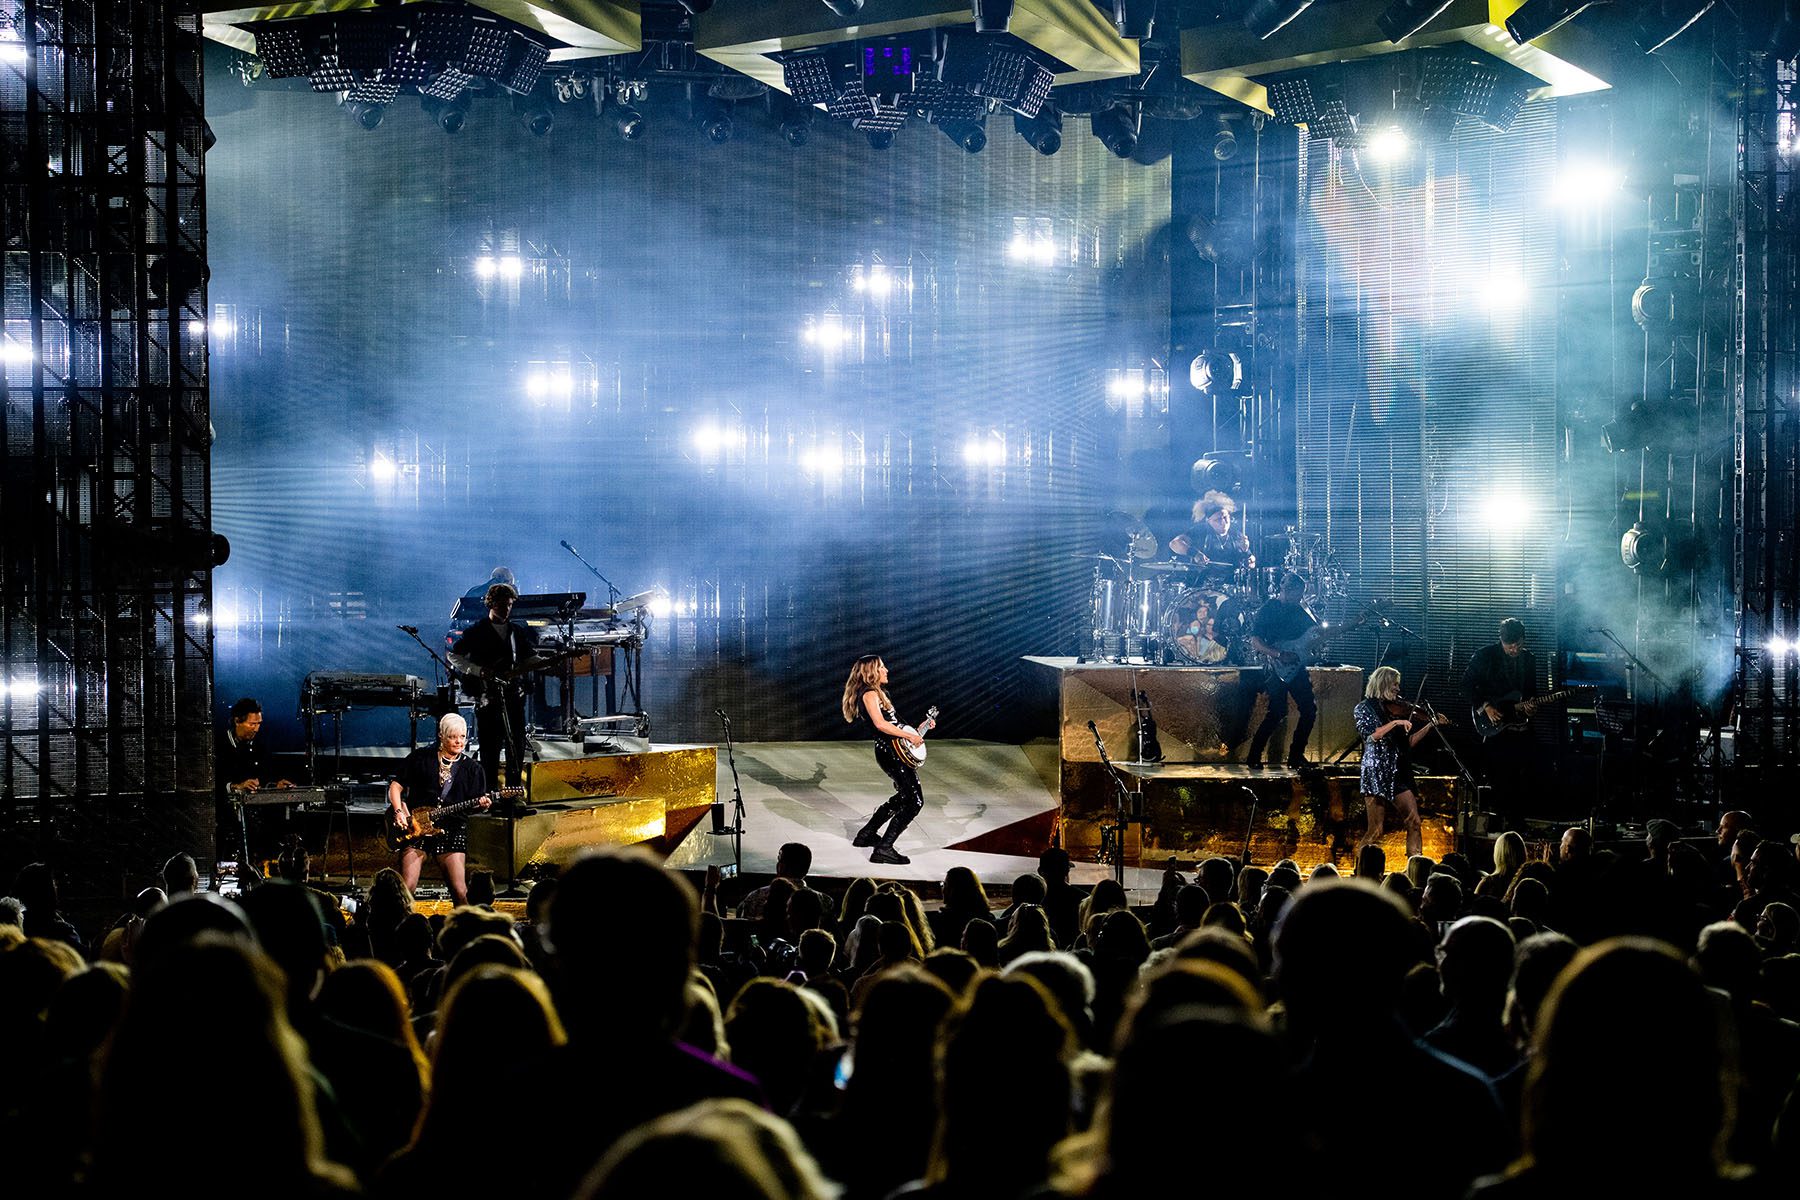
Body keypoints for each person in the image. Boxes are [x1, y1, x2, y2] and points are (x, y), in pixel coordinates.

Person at [386, 712, 492, 904]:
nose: (459, 742)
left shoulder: (473, 769)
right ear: (441, 736)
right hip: (417, 826)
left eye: (462, 737)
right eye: (453, 737)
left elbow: (472, 807)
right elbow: (396, 786)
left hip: (452, 830)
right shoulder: (421, 758)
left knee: (460, 892)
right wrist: (399, 811)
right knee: (406, 889)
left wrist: (482, 806)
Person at [448, 581, 539, 790]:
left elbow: (529, 658)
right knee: (490, 749)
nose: (505, 609)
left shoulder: (516, 631)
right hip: (488, 698)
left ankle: (512, 793)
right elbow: (454, 655)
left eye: (508, 605)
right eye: (501, 604)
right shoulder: (477, 630)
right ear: (491, 604)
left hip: (514, 696)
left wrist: (551, 661)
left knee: (515, 747)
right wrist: (479, 671)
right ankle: (488, 794)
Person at [842, 654, 929, 866]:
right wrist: (909, 736)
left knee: (903, 797)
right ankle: (884, 848)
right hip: (890, 753)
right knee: (914, 801)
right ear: (873, 672)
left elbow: (896, 726)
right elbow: (880, 725)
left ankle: (866, 835)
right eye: (882, 667)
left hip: (894, 750)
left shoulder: (880, 693)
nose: (887, 670)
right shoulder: (869, 694)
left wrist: (918, 730)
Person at [1355, 666, 1447, 859]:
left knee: (1414, 821)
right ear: (1384, 683)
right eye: (1395, 684)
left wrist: (1431, 725)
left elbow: (1408, 743)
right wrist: (1395, 723)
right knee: (1376, 830)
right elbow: (1372, 736)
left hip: (1399, 770)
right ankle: (1360, 870)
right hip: (1376, 770)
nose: (1398, 688)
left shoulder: (1397, 710)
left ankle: (1415, 869)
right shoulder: (1364, 708)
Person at [1463, 618, 1539, 820]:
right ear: (1501, 640)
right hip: (1494, 728)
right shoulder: (1484, 656)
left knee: (1525, 779)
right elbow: (1466, 685)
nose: (1514, 649)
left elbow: (1532, 692)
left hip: (1520, 727)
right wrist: (1484, 706)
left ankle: (1518, 824)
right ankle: (1500, 823)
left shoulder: (1529, 659)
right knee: (1499, 779)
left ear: (1523, 640)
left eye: (1518, 645)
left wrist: (1531, 708)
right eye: (1509, 645)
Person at [1245, 573, 1319, 769]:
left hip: (1296, 667)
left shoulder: (1300, 611)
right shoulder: (1268, 610)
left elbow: (1314, 634)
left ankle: (1296, 756)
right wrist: (1278, 654)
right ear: (1287, 590)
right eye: (1298, 594)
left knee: (1309, 710)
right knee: (1276, 712)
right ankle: (1253, 756)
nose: (1300, 598)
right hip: (1275, 667)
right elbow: (1255, 641)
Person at [215, 697, 296, 874]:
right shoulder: (218, 745)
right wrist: (236, 786)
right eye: (252, 724)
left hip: (256, 808)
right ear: (237, 721)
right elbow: (214, 781)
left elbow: (265, 776)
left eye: (259, 723)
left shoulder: (259, 746)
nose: (257, 728)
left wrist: (276, 785)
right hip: (225, 809)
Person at [1168, 490, 1253, 580]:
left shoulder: (1236, 534)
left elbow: (1252, 564)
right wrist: (1195, 554)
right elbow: (1174, 543)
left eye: (1225, 517)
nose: (1223, 522)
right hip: (1202, 584)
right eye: (1218, 520)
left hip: (1230, 585)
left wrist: (1246, 551)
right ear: (1209, 521)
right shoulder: (1200, 531)